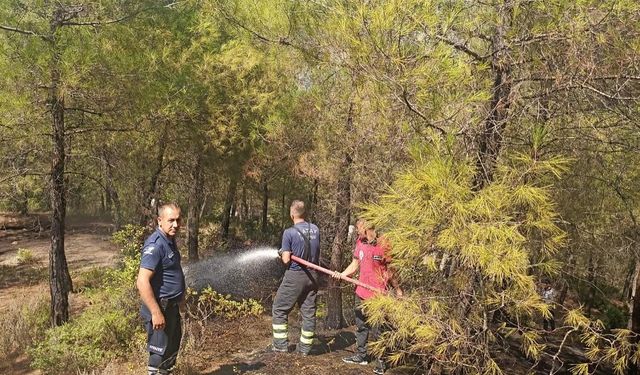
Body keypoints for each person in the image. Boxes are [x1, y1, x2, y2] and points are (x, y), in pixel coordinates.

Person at [334, 219, 403, 375]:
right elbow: (355, 264)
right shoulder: (360, 242)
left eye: (359, 229)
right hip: (361, 292)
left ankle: (382, 361)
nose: (357, 232)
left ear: (367, 229)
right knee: (361, 325)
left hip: (378, 295)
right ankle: (361, 355)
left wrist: (398, 289)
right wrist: (342, 274)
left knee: (379, 330)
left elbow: (391, 271)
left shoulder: (383, 244)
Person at [136, 203, 185, 375]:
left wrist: (181, 299)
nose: (176, 225)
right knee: (158, 356)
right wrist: (156, 313)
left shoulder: (169, 241)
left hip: (171, 307)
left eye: (178, 220)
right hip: (160, 308)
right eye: (171, 220)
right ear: (160, 221)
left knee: (170, 354)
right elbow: (142, 281)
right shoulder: (155, 245)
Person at [272, 200, 321, 355]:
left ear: (292, 214)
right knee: (308, 313)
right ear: (304, 213)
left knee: (279, 308)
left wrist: (281, 253)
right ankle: (305, 349)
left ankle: (280, 346)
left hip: (295, 275)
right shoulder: (315, 229)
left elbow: (286, 259)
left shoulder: (289, 232)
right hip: (312, 276)